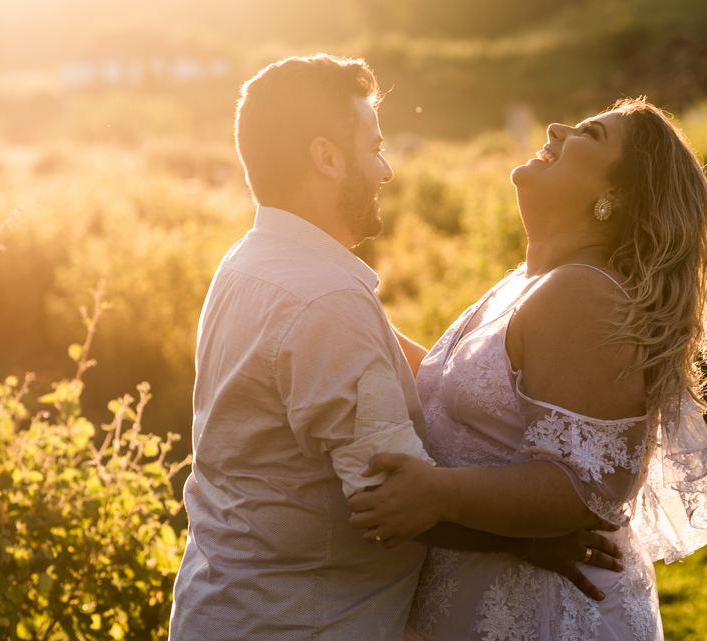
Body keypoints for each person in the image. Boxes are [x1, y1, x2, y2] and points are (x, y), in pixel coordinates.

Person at [169, 54, 623, 641]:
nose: (386, 171)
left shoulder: (251, 261)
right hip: (299, 624)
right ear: (327, 158)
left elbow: (390, 360)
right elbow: (393, 497)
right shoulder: (326, 301)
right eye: (374, 147)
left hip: (222, 606)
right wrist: (530, 540)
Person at [347, 97, 707, 640]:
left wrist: (438, 493)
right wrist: (341, 301)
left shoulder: (584, 294)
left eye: (589, 135)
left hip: (545, 614)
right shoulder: (528, 283)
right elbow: (441, 381)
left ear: (613, 197)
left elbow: (587, 488)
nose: (556, 128)